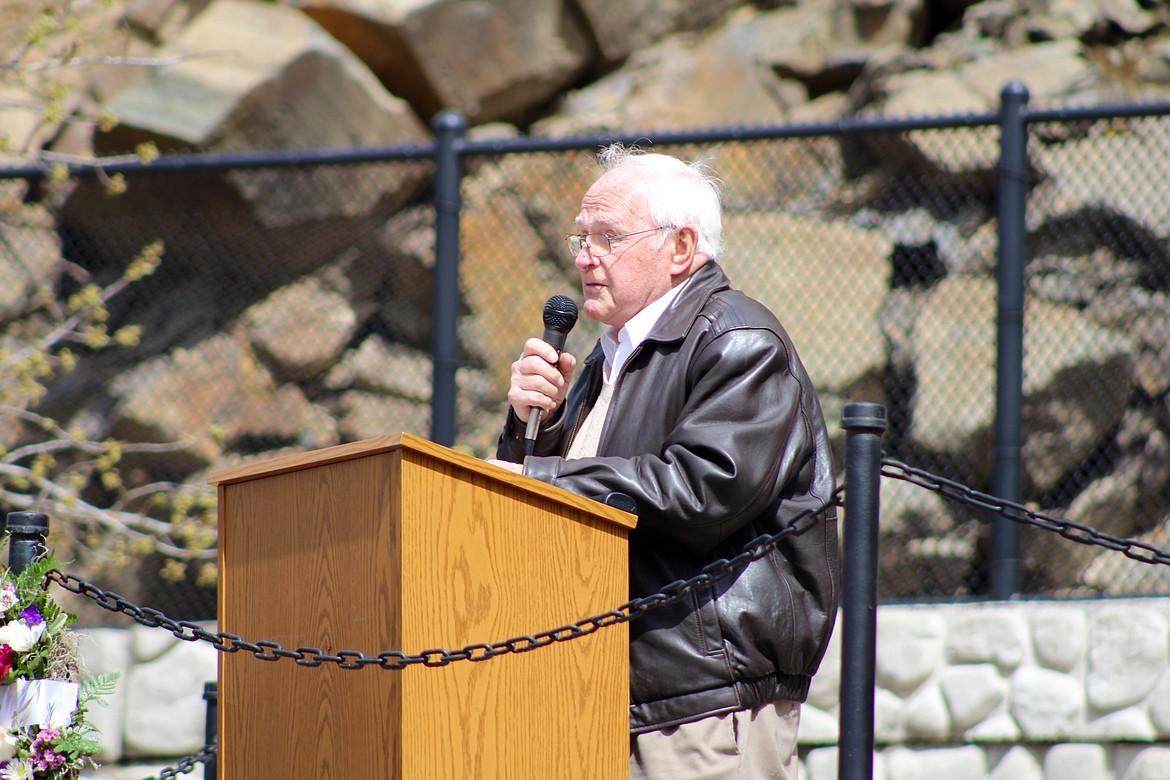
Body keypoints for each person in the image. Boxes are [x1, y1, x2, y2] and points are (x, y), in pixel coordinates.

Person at [489, 144, 839, 780]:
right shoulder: (607, 354)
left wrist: (535, 477)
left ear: (681, 248)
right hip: (599, 683)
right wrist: (531, 428)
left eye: (608, 236)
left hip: (700, 696)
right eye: (581, 236)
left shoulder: (736, 339)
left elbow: (702, 490)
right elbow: (569, 507)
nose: (583, 256)